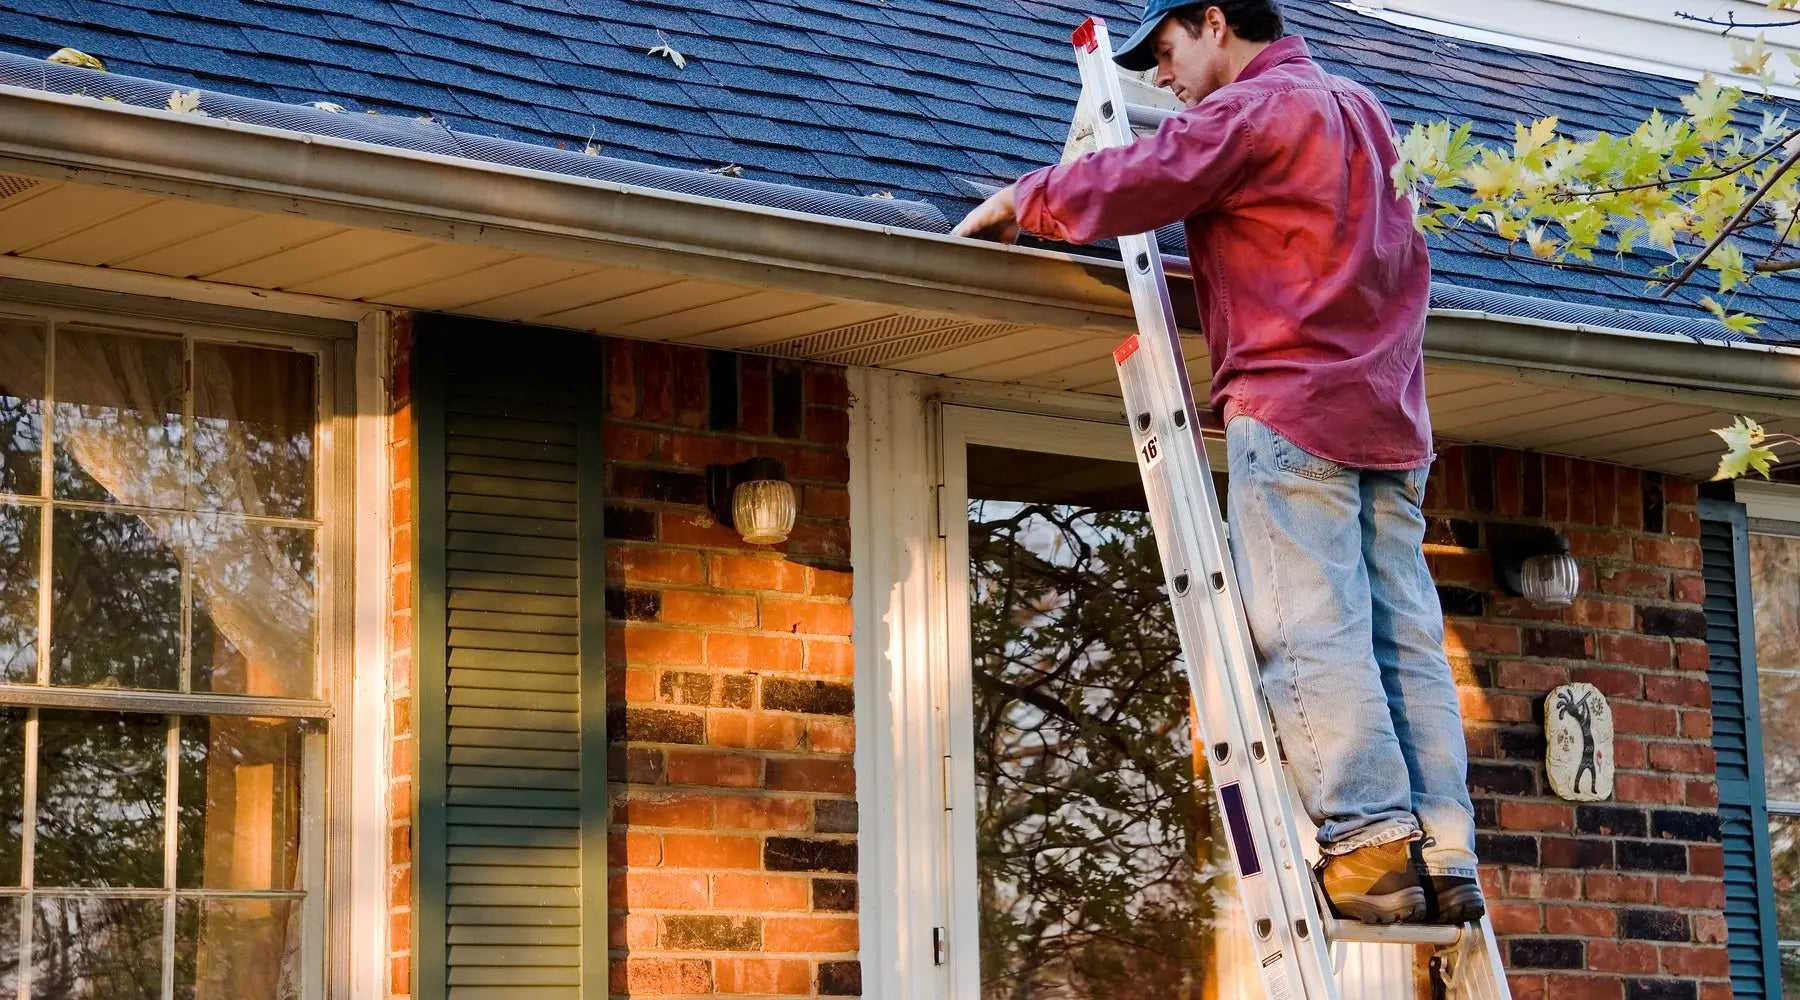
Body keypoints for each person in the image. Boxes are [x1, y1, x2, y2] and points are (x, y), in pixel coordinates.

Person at [953, 0, 1483, 925]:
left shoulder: (1258, 109)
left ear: (1213, 22)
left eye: (1165, 52)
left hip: (1295, 407)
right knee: (1403, 638)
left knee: (1311, 628)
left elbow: (1156, 171)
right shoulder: (1362, 108)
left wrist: (1026, 198)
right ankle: (1443, 847)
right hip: (1393, 422)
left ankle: (1366, 850)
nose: (1160, 80)